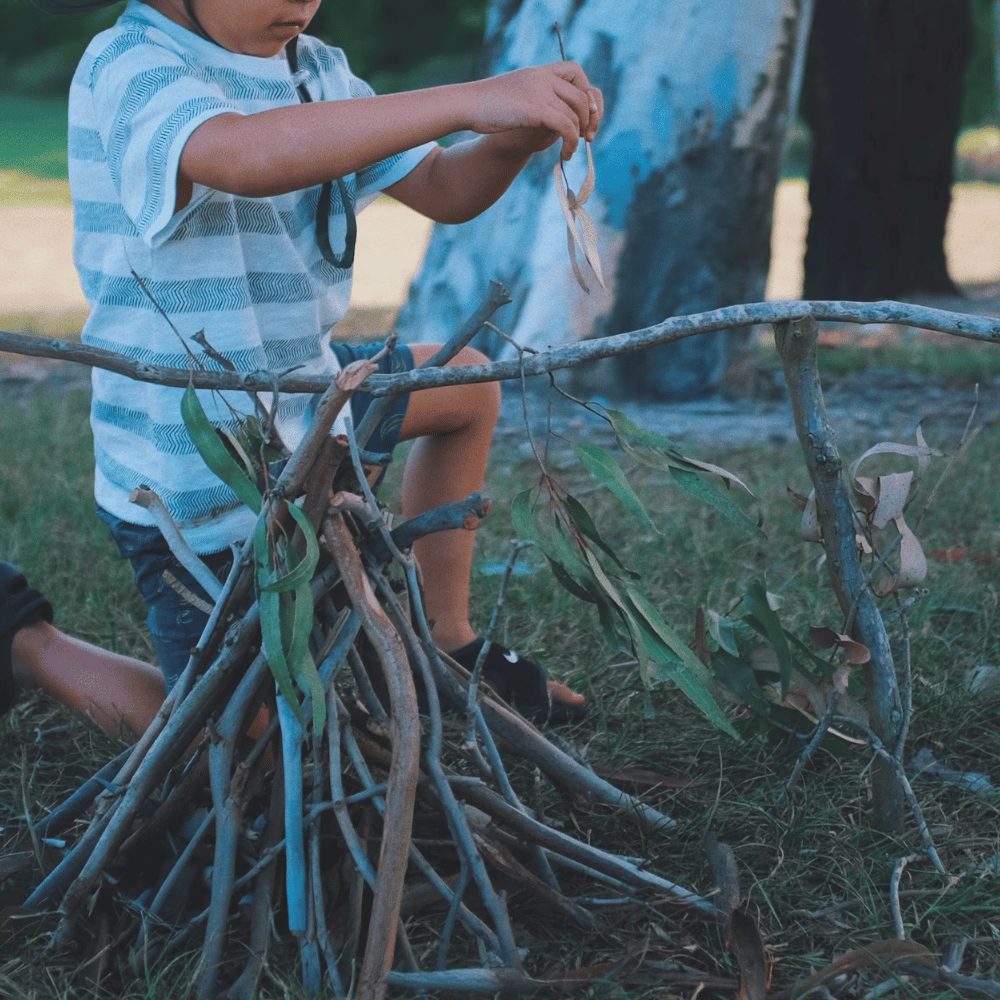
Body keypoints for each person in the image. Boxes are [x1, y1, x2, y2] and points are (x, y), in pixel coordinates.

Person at [23, 0, 604, 722]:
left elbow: (449, 191)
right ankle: (28, 643)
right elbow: (242, 154)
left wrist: (513, 135)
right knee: (241, 755)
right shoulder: (131, 64)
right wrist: (467, 97)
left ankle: (447, 642)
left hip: (312, 398)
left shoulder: (318, 71)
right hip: (196, 471)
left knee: (466, 386)